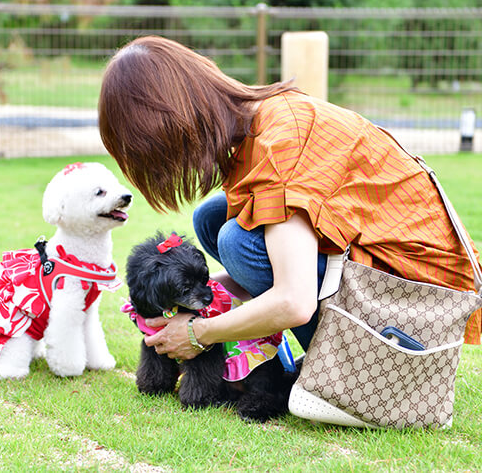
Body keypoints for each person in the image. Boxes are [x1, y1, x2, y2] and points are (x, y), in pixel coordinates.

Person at [98, 35, 482, 361]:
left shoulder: (281, 142)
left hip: (416, 311)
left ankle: (341, 366)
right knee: (214, 218)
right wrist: (192, 294)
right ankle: (331, 353)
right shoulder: (261, 124)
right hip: (383, 279)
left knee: (237, 240)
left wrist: (200, 332)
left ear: (172, 124)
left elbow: (294, 300)